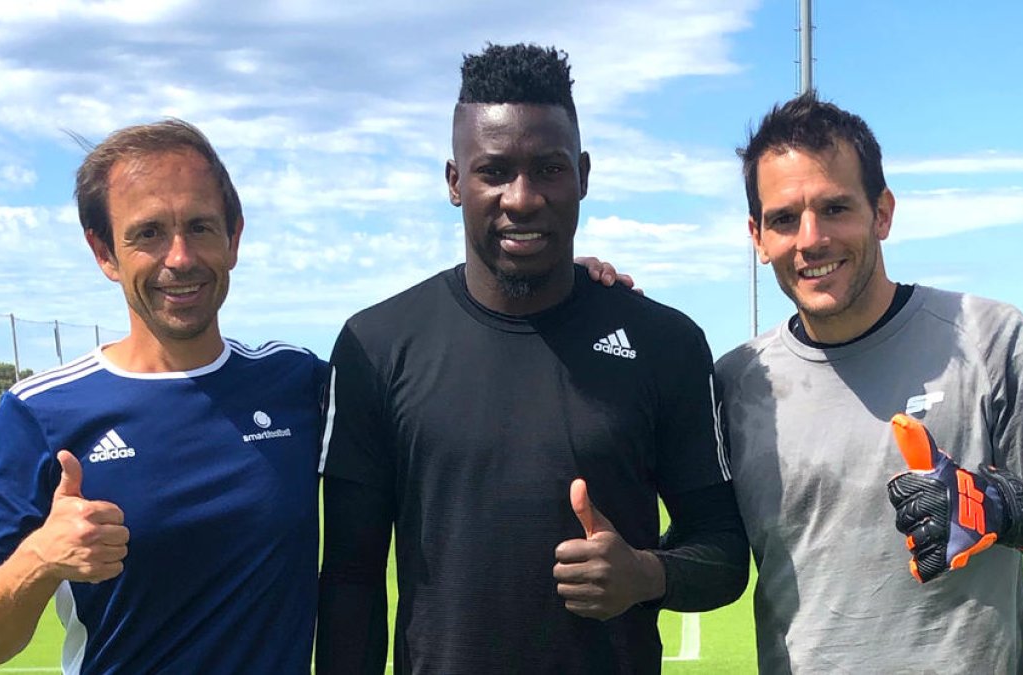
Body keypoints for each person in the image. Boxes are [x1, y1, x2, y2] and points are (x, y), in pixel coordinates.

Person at [315, 43, 748, 674]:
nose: (522, 198)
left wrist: (645, 574)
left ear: (584, 174)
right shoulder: (376, 346)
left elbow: (725, 555)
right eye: (494, 171)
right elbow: (352, 578)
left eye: (548, 169)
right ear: (455, 182)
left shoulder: (664, 343)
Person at [716, 91, 1023, 673]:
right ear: (757, 236)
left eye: (836, 208)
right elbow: (707, 554)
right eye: (784, 219)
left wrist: (1015, 513)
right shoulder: (738, 382)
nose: (811, 238)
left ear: (883, 213)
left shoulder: (989, 337)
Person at [0, 120, 327, 673]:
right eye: (148, 234)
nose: (180, 258)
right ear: (104, 253)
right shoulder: (40, 414)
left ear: (234, 238)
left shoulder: (298, 383)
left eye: (200, 227)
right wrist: (40, 558)